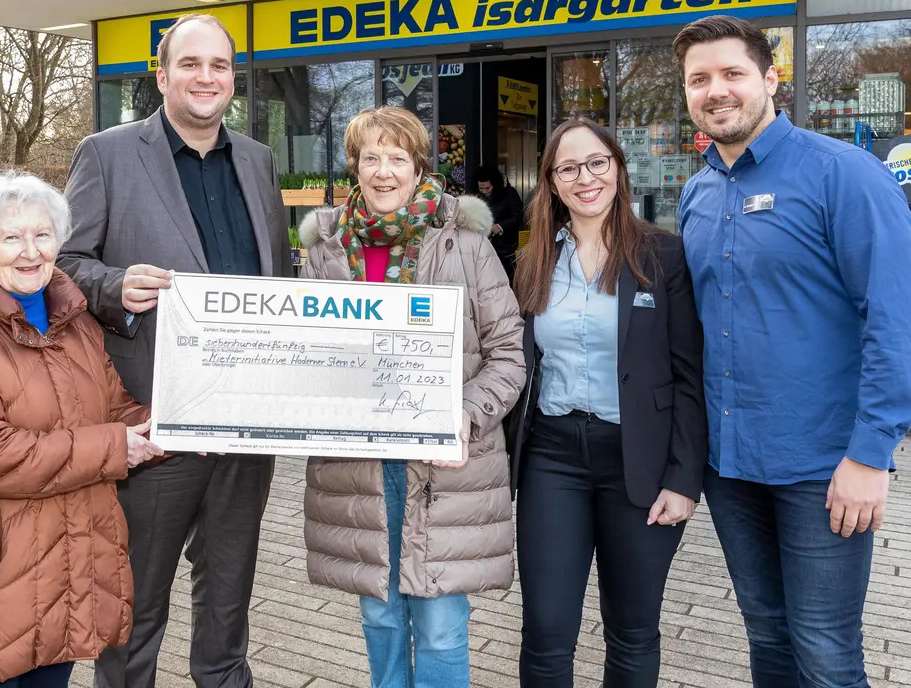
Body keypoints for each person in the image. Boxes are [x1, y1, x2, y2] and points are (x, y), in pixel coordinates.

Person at [674, 15, 911, 687]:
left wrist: (871, 453)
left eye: (732, 73)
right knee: (767, 634)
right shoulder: (697, 193)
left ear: (771, 80)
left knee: (824, 650)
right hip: (728, 462)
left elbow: (898, 321)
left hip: (823, 464)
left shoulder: (844, 174)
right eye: (700, 79)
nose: (716, 90)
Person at [58, 13, 292, 688]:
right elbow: (64, 261)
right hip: (154, 418)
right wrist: (111, 284)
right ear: (161, 75)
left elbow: (274, 273)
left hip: (248, 419)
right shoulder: (105, 153)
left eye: (219, 66)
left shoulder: (256, 159)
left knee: (228, 595)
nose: (206, 77)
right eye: (190, 64)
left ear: (232, 80)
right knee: (135, 600)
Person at [296, 105, 525, 688]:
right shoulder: (325, 249)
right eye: (370, 157)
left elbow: (508, 353)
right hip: (360, 466)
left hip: (445, 466)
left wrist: (462, 417)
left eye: (397, 157)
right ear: (354, 165)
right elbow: (304, 355)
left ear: (419, 165)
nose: (383, 171)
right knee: (379, 612)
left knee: (441, 621)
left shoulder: (465, 243)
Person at [0, 171, 164, 688]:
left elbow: (115, 411)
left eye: (43, 235)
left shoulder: (76, 322)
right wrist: (116, 446)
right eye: (11, 237)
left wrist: (187, 424)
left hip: (70, 567)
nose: (31, 251)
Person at [504, 117, 706, 687]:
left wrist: (684, 479)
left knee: (633, 630)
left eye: (597, 162)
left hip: (639, 463)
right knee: (545, 630)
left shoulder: (663, 255)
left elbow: (690, 375)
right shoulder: (536, 259)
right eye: (568, 168)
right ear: (552, 182)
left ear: (617, 167)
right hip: (553, 460)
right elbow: (515, 363)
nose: (585, 177)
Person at [473, 164, 524, 282]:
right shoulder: (477, 196)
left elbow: (518, 216)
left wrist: (501, 226)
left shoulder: (509, 193)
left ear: (495, 184)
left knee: (505, 280)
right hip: (484, 247)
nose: (484, 191)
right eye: (481, 188)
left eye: (487, 188)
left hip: (505, 248)